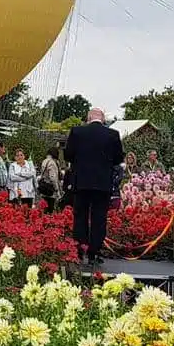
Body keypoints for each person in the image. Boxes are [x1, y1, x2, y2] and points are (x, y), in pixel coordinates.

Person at [64, 108, 124, 266]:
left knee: (80, 217)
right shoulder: (113, 135)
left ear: (88, 118)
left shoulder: (76, 132)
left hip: (81, 182)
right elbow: (118, 158)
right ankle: (94, 253)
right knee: (99, 218)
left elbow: (68, 155)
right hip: (102, 183)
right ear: (103, 120)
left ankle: (79, 250)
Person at [38, 146, 62, 212]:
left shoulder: (44, 161)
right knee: (50, 208)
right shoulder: (52, 163)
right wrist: (57, 190)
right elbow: (53, 177)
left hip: (44, 188)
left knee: (44, 207)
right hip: (50, 189)